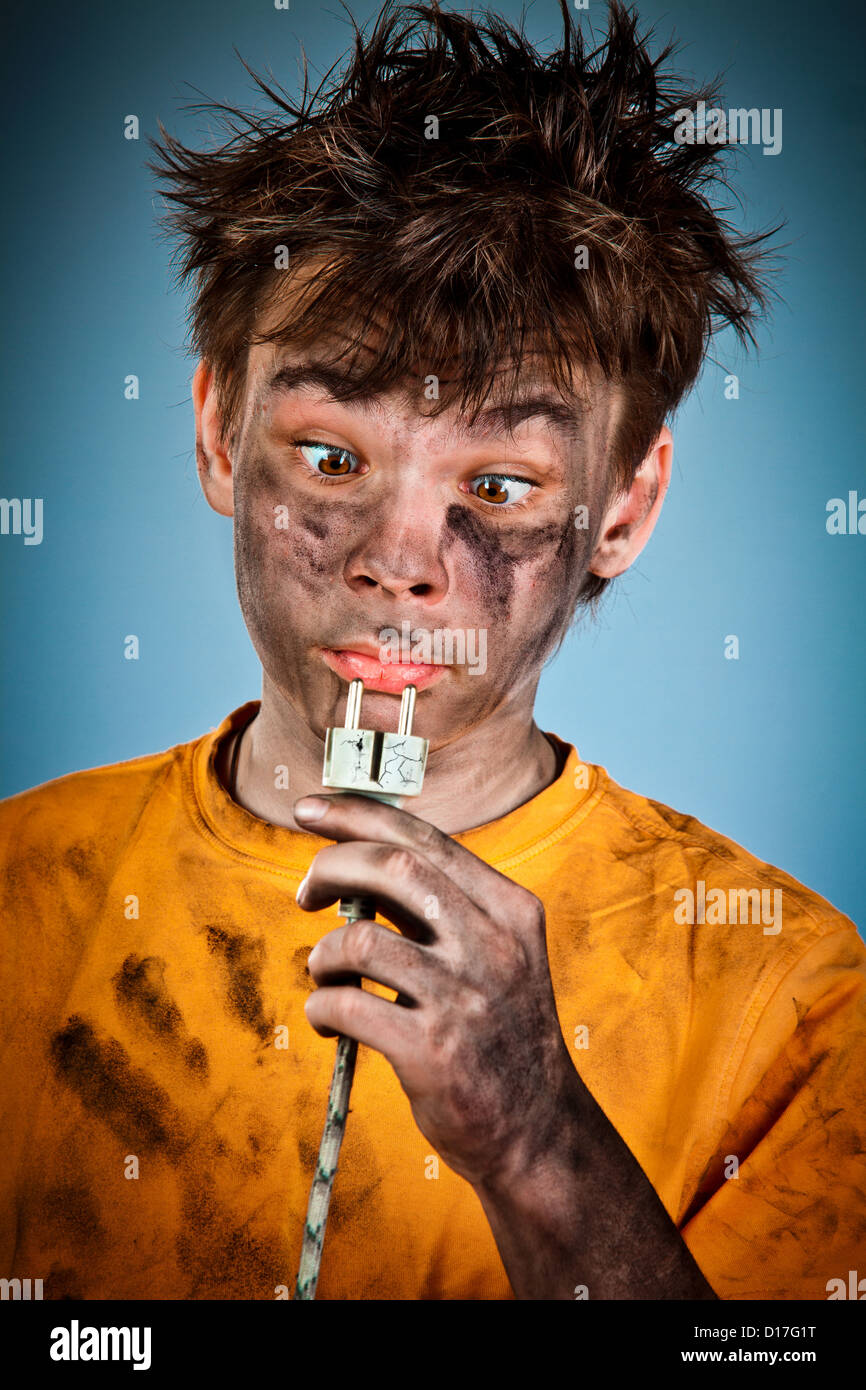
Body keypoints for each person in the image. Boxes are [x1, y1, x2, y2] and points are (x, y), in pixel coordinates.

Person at [1, 0, 863, 1301]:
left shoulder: (797, 1001)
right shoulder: (22, 898)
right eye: (332, 455)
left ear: (621, 507)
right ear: (220, 434)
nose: (403, 558)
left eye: (503, 483)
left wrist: (538, 1146)